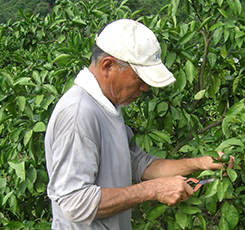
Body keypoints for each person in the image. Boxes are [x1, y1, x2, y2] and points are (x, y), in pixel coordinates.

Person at [45, 19, 234, 230]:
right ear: (108, 66)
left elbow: (138, 164)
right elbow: (75, 203)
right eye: (138, 78)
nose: (145, 88)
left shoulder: (107, 106)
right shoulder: (79, 114)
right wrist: (153, 190)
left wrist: (199, 164)